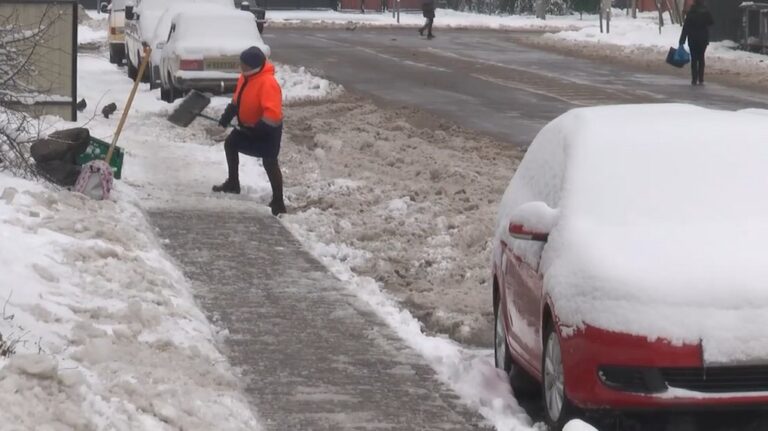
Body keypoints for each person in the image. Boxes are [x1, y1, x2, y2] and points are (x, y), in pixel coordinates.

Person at [214, 46, 286, 216]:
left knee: (270, 162)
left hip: (268, 130)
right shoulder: (246, 78)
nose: (241, 66)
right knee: (231, 143)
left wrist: (258, 129)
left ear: (252, 66)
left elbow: (272, 114)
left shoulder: (268, 83)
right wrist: (227, 116)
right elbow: (237, 100)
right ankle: (233, 183)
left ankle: (278, 201)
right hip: (248, 127)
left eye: (243, 64)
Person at [679, 0, 714, 86]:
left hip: (692, 39)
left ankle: (694, 79)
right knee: (701, 57)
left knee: (694, 59)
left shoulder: (691, 12)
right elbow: (711, 22)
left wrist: (682, 40)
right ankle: (701, 78)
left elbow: (686, 27)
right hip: (703, 39)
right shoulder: (706, 12)